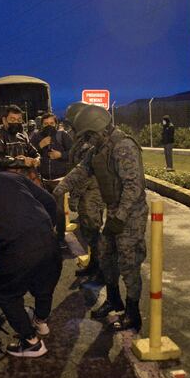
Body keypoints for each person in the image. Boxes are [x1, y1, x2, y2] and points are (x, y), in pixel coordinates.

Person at [54, 104, 148, 331]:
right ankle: (114, 301)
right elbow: (81, 170)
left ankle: (133, 313)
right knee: (106, 256)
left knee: (128, 264)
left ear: (100, 129)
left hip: (131, 214)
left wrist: (120, 217)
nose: (87, 140)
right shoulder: (99, 148)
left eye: (89, 135)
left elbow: (133, 187)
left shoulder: (123, 146)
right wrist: (57, 190)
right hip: (115, 211)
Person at [0, 155, 62, 357]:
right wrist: (46, 229)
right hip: (49, 240)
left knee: (5, 292)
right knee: (44, 283)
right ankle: (41, 322)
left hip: (17, 249)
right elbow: (49, 201)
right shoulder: (12, 177)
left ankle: (31, 342)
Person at [64, 102, 106, 286]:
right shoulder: (81, 139)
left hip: (92, 194)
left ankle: (102, 271)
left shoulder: (89, 141)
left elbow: (87, 174)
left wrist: (74, 196)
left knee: (94, 233)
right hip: (86, 194)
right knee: (89, 233)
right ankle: (94, 265)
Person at [30, 112, 74, 249]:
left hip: (59, 180)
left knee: (59, 211)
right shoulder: (36, 137)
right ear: (41, 125)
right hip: (42, 180)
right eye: (46, 124)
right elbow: (29, 153)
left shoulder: (62, 135)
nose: (49, 126)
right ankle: (46, 236)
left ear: (56, 124)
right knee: (42, 209)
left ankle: (60, 238)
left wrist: (61, 155)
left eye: (51, 123)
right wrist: (40, 146)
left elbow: (73, 153)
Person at [0, 104, 41, 179]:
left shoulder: (22, 137)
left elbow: (35, 153)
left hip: (23, 179)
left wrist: (37, 160)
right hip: (5, 180)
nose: (16, 122)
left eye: (19, 120)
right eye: (12, 120)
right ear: (4, 120)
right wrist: (22, 162)